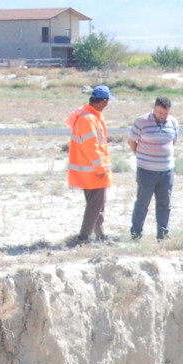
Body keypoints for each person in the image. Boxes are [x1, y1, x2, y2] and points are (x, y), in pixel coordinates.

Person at [66, 84, 113, 244]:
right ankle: (84, 237)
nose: (107, 105)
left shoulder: (89, 116)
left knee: (97, 204)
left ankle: (100, 235)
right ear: (102, 101)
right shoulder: (89, 119)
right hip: (93, 171)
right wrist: (100, 168)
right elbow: (91, 147)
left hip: (90, 170)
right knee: (95, 205)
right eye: (107, 102)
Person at [127, 96, 179, 241]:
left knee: (165, 204)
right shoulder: (142, 121)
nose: (162, 116)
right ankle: (135, 235)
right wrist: (141, 155)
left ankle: (162, 235)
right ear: (154, 108)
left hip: (166, 171)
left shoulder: (173, 123)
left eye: (165, 113)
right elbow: (131, 140)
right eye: (159, 112)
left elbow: (172, 142)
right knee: (142, 203)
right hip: (146, 171)